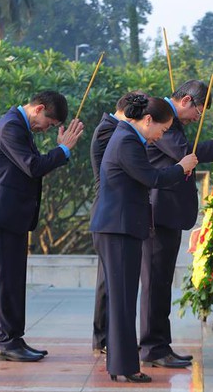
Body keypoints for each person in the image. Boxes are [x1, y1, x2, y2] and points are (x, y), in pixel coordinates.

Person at [90, 94, 198, 383]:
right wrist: (182, 166)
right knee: (123, 301)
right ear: (147, 120)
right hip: (117, 228)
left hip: (121, 227)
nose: (159, 137)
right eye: (161, 131)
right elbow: (152, 178)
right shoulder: (126, 139)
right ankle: (124, 366)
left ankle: (121, 364)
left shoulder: (129, 137)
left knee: (123, 299)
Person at [140, 79, 213, 368]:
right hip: (159, 212)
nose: (198, 117)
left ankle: (159, 344)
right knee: (155, 282)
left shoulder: (171, 120)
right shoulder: (162, 118)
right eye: (199, 110)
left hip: (167, 213)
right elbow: (185, 151)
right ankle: (153, 347)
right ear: (186, 101)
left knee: (160, 281)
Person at [0, 91, 84, 362]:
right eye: (48, 124)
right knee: (6, 281)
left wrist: (61, 151)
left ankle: (15, 337)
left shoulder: (18, 125)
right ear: (38, 109)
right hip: (2, 216)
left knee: (15, 280)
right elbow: (32, 166)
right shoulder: (10, 127)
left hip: (13, 216)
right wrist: (63, 149)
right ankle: (6, 340)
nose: (46, 130)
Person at [90, 91, 144, 354]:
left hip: (113, 211)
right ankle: (105, 338)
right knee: (109, 283)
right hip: (111, 212)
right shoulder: (110, 131)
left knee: (110, 281)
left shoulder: (116, 130)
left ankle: (107, 338)